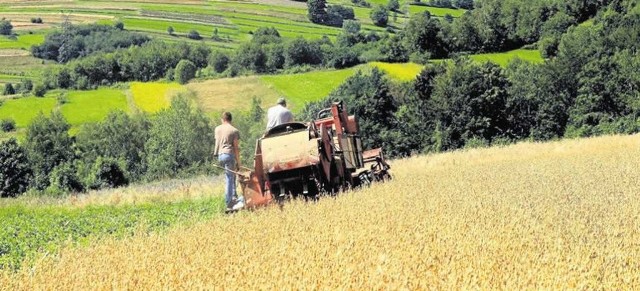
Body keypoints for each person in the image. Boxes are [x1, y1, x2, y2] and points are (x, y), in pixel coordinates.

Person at [214, 111, 243, 211]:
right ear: (231, 119)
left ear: (223, 119)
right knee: (229, 178)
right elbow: (236, 148)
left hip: (220, 155)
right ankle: (229, 202)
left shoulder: (217, 129)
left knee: (231, 175)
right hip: (229, 154)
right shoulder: (234, 130)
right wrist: (239, 163)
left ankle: (234, 196)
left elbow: (217, 142)